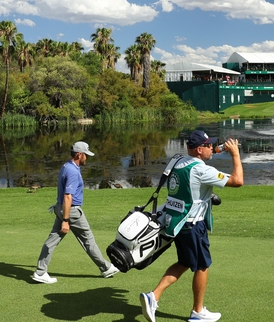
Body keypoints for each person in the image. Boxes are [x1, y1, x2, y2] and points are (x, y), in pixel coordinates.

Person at [140, 130, 243, 322]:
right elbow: (238, 181)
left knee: (185, 262)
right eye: (208, 145)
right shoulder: (201, 170)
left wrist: (212, 155)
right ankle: (197, 312)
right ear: (198, 149)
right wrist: (235, 154)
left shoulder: (178, 161)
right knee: (202, 266)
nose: (212, 147)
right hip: (193, 225)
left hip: (178, 223)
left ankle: (153, 296)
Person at [32, 141, 119, 284]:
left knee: (52, 240)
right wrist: (66, 220)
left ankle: (40, 272)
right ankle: (105, 268)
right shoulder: (72, 171)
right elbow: (68, 196)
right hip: (70, 211)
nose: (87, 158)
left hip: (61, 208)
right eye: (86, 155)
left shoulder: (67, 166)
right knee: (88, 240)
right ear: (79, 154)